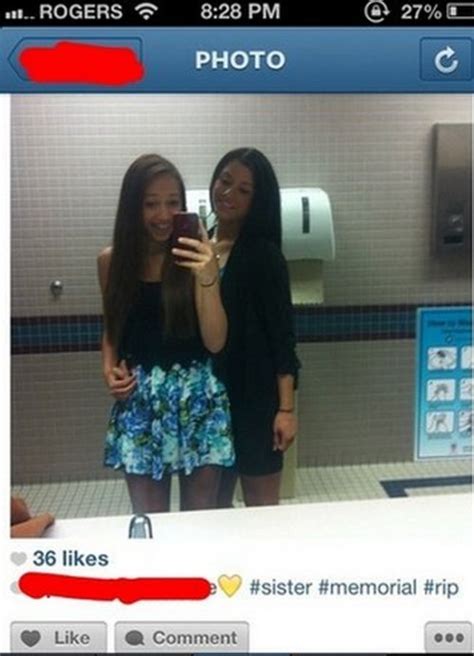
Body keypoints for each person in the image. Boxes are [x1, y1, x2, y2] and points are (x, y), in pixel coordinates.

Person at [97, 154, 234, 514]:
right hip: (141, 400)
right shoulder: (112, 262)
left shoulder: (196, 259)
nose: (163, 214)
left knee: (200, 520)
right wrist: (109, 369)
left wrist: (208, 275)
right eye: (151, 204)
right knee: (150, 521)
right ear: (132, 207)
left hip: (198, 397)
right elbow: (112, 328)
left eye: (173, 203)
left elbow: (216, 341)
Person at [209, 147, 300, 507]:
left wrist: (286, 410)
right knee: (213, 509)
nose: (228, 193)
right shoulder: (197, 244)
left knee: (262, 511)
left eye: (243, 190)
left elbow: (283, 340)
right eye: (225, 181)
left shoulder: (265, 255)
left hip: (254, 400)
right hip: (207, 398)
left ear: (257, 201)